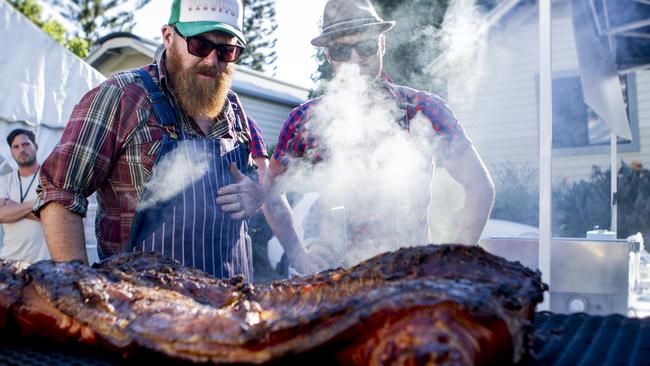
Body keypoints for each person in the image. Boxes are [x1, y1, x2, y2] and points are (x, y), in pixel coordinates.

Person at [35, 0, 322, 279]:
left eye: (226, 50)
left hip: (232, 310)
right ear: (169, 36)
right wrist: (81, 289)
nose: (211, 60)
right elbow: (60, 192)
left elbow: (259, 188)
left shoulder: (237, 113)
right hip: (143, 312)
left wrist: (255, 196)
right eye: (199, 44)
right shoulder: (122, 97)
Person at [265, 0, 495, 267]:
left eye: (366, 47)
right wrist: (296, 252)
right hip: (334, 280)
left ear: (382, 44)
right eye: (341, 50)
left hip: (409, 281)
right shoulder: (303, 120)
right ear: (328, 55)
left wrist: (453, 264)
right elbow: (269, 192)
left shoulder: (424, 110)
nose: (355, 60)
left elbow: (479, 187)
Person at [0, 129, 50, 263]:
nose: (21, 149)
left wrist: (12, 207)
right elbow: (1, 215)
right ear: (11, 151)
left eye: (26, 144)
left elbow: (52, 216)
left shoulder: (50, 178)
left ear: (36, 146)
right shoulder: (4, 181)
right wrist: (38, 203)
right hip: (9, 260)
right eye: (16, 147)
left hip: (43, 262)